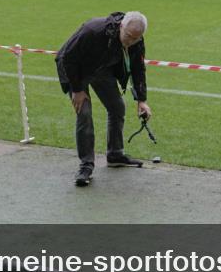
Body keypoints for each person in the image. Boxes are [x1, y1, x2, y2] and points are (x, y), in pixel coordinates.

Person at [55, 11, 152, 187]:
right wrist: (77, 89)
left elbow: (138, 69)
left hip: (102, 68)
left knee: (117, 107)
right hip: (76, 70)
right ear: (122, 26)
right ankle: (86, 165)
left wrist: (141, 100)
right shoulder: (93, 30)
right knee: (84, 112)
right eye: (128, 37)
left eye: (135, 39)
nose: (130, 42)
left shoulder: (137, 41)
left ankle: (115, 154)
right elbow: (66, 57)